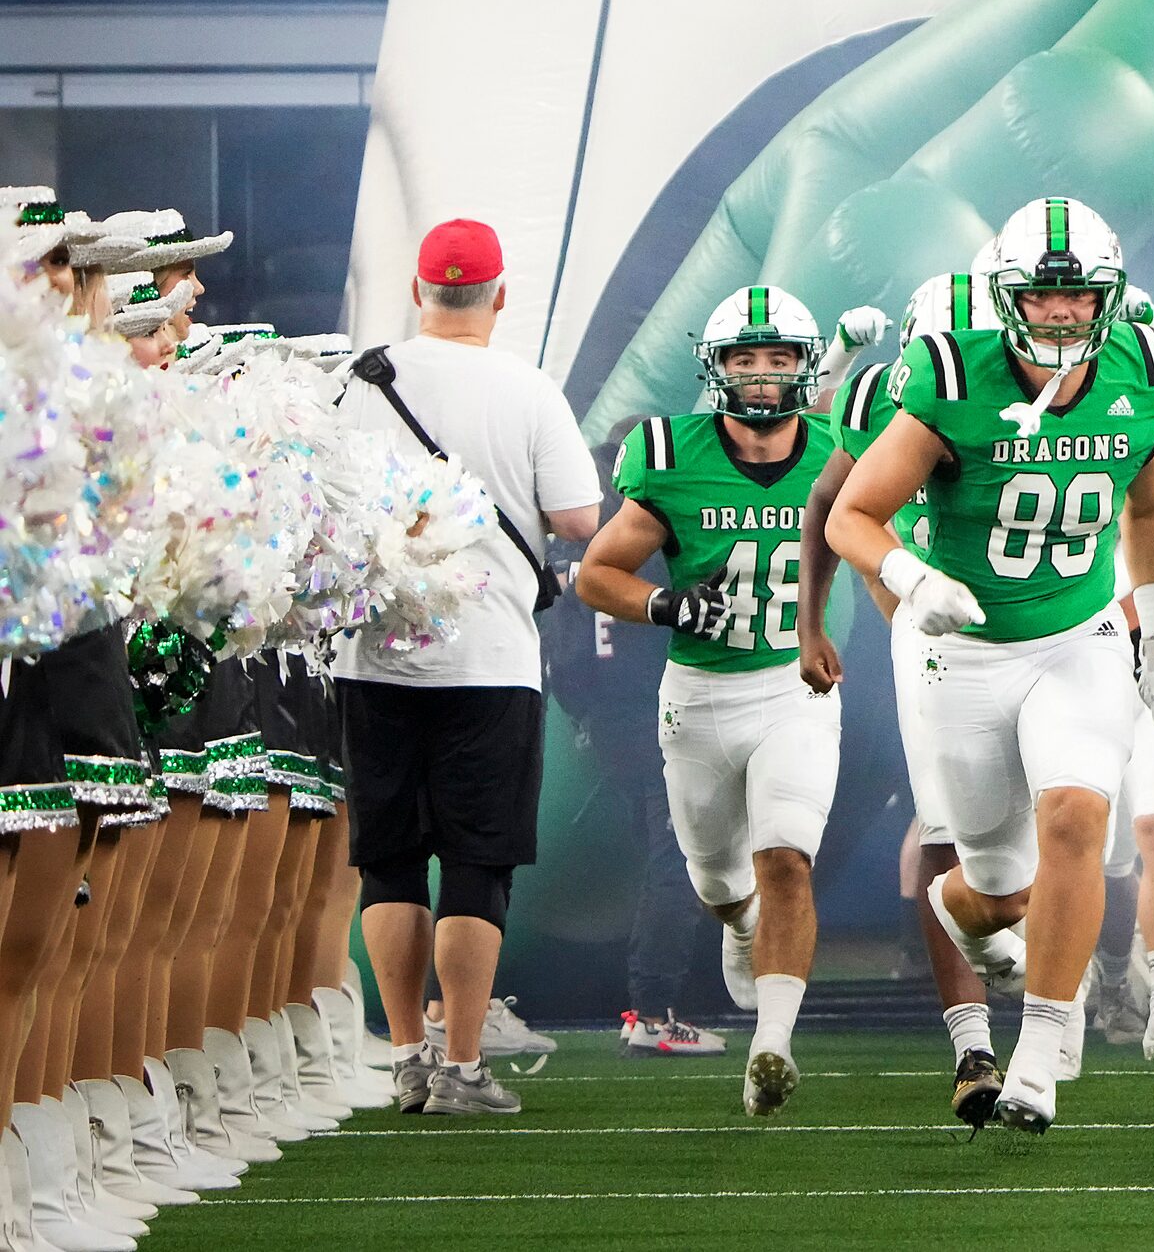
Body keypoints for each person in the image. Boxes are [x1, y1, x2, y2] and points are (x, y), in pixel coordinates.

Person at [825, 197, 1154, 1134]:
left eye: (1079, 296)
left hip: (1077, 633)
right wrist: (909, 576)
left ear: (1109, 300)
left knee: (1076, 821)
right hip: (964, 649)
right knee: (996, 890)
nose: (1062, 313)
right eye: (1045, 295)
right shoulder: (951, 377)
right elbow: (848, 516)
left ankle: (1040, 1056)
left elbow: (1147, 512)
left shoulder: (1148, 371)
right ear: (1006, 298)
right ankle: (956, 907)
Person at [577, 284, 872, 1117]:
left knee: (785, 857)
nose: (762, 375)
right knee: (716, 881)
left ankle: (770, 1046)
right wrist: (662, 604)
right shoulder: (671, 451)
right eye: (745, 358)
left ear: (805, 368)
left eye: (779, 358)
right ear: (717, 368)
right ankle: (739, 929)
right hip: (700, 695)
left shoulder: (839, 451)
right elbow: (597, 573)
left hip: (795, 687)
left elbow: (885, 532)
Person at [334, 219, 602, 1119]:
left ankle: (406, 1055)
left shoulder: (359, 383)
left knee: (390, 861)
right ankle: (462, 1065)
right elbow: (576, 520)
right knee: (479, 865)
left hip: (373, 654)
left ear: (417, 291)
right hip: (488, 660)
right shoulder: (527, 390)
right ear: (498, 296)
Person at [797, 258, 1002, 1123]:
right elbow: (830, 504)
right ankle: (974, 1045)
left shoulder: (1047, 389)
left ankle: (1071, 1008)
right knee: (950, 836)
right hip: (940, 639)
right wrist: (874, 606)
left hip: (1056, 629)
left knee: (1071, 821)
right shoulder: (885, 397)